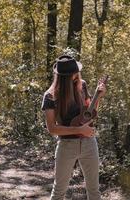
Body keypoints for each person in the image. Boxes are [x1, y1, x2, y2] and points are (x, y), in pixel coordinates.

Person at [41, 55, 106, 200]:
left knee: (94, 191)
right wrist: (79, 130)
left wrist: (99, 97)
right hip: (67, 146)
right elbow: (52, 129)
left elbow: (89, 114)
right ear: (68, 75)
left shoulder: (82, 85)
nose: (78, 74)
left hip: (90, 143)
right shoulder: (50, 96)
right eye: (75, 72)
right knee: (58, 192)